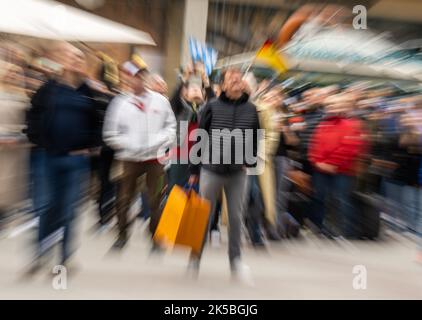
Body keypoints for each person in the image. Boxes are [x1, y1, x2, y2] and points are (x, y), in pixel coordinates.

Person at [26, 42, 100, 272]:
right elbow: (33, 115)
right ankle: (40, 254)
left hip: (75, 161)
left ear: (83, 64)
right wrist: (38, 140)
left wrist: (89, 145)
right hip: (47, 158)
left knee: (68, 210)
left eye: (78, 57)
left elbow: (98, 124)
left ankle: (65, 258)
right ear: (61, 60)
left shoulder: (88, 92)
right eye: (70, 56)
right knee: (46, 207)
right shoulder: (48, 88)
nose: (74, 60)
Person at [188, 67, 260, 284]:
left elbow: (255, 137)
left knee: (237, 218)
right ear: (224, 85)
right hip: (211, 169)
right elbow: (199, 136)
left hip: (238, 172)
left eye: (239, 78)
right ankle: (195, 258)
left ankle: (236, 261)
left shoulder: (251, 109)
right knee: (204, 215)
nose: (236, 80)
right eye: (232, 78)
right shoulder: (212, 106)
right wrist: (194, 170)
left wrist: (251, 160)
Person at [103, 61, 176, 250]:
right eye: (133, 77)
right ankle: (121, 235)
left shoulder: (161, 101)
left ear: (145, 78)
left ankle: (155, 237)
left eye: (141, 76)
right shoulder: (120, 104)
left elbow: (171, 128)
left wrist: (158, 141)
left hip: (156, 161)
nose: (137, 80)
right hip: (129, 160)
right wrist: (130, 145)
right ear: (127, 79)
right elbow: (110, 134)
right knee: (124, 198)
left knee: (157, 199)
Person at [308, 93, 367, 238]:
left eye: (336, 104)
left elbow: (350, 147)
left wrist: (331, 163)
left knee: (340, 200)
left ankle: (343, 231)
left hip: (342, 171)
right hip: (321, 169)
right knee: (319, 197)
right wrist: (317, 162)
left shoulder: (352, 125)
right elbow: (314, 146)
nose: (333, 107)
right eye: (330, 105)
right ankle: (321, 228)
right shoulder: (322, 125)